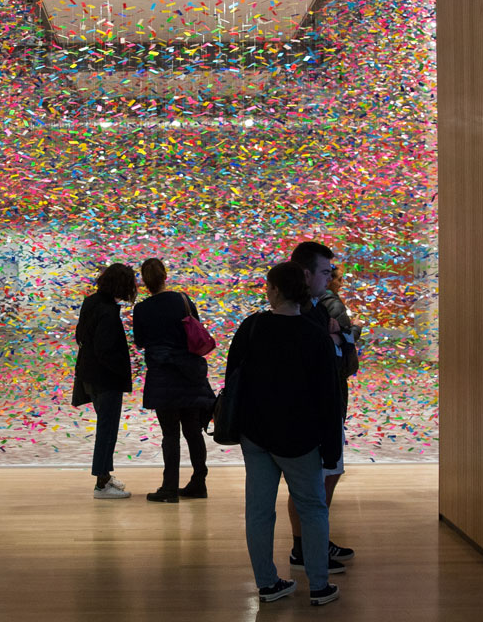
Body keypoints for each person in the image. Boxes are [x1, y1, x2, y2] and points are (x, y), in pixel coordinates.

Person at [227, 260, 342, 605]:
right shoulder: (315, 336)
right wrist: (332, 449)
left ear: (274, 290)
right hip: (301, 438)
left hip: (256, 435)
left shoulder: (252, 327)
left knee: (259, 510)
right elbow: (328, 398)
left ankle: (267, 584)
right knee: (313, 508)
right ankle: (319, 586)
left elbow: (234, 378)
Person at [284, 241, 360, 574]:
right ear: (306, 273)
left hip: (322, 407)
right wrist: (344, 338)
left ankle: (311, 543)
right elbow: (339, 362)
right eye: (326, 272)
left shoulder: (313, 308)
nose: (330, 278)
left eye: (331, 273)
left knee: (323, 477)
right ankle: (306, 549)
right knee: (314, 481)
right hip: (313, 411)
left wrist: (343, 337)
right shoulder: (313, 311)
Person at [131, 258, 215, 503]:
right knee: (193, 430)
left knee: (170, 434)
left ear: (144, 282)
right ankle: (199, 483)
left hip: (163, 376)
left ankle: (169, 488)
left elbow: (140, 341)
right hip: (189, 373)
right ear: (165, 275)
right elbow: (196, 329)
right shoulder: (183, 300)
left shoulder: (142, 309)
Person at [73, 263, 137, 499]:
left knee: (105, 428)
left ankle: (106, 477)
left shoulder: (91, 302)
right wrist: (123, 371)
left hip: (89, 376)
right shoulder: (108, 312)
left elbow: (80, 335)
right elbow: (105, 350)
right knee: (107, 430)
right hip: (105, 379)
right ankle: (101, 484)